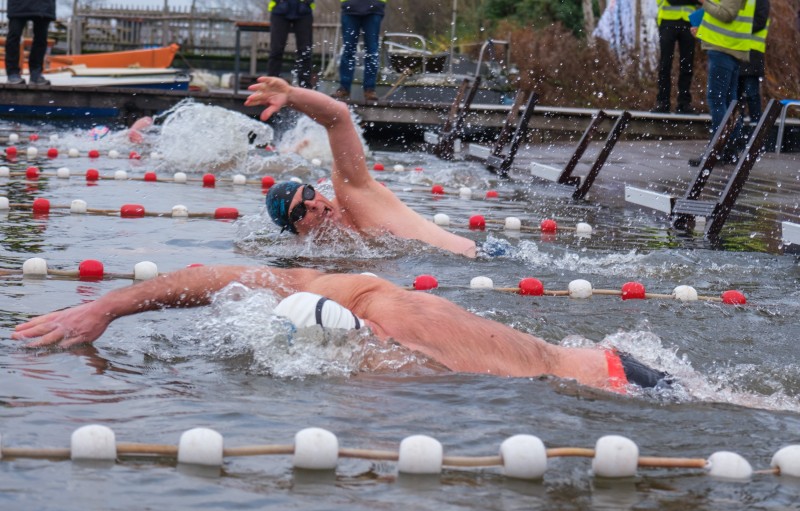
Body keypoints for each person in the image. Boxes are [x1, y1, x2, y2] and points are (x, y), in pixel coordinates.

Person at [10, 264, 673, 394]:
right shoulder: (377, 347)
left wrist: (109, 305)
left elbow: (218, 276)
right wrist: (110, 307)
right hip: (610, 366)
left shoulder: (362, 301)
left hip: (611, 381)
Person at [244, 76, 477, 258]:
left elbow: (338, 118)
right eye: (299, 211)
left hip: (475, 258)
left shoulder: (353, 194)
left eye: (307, 193)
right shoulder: (313, 251)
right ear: (296, 232)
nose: (312, 204)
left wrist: (291, 95)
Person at [688, 0, 754, 166]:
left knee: (717, 99)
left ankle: (716, 151)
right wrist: (703, 32)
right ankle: (729, 149)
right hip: (728, 47)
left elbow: (726, 14)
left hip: (723, 49)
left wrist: (704, 2)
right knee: (729, 102)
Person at [331, 0, 387, 103]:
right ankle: (344, 87)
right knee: (348, 50)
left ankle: (370, 89)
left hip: (374, 8)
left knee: (372, 51)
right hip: (350, 8)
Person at [652, 0, 702, 114]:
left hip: (688, 21)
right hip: (668, 20)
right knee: (665, 64)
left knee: (687, 64)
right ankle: (663, 102)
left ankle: (684, 103)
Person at [3, 0, 56, 86]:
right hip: (18, 4)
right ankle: (12, 73)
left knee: (41, 38)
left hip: (43, 5)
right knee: (14, 36)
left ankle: (36, 73)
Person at [266, 0, 315, 88]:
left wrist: (307, 2)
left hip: (304, 10)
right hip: (279, 9)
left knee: (305, 51)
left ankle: (305, 87)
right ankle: (271, 85)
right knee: (276, 50)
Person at [736, 0, 770, 124]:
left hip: (752, 52)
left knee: (751, 93)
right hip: (737, 49)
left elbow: (760, 21)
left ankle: (756, 126)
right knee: (736, 94)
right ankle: (737, 126)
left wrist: (738, 29)